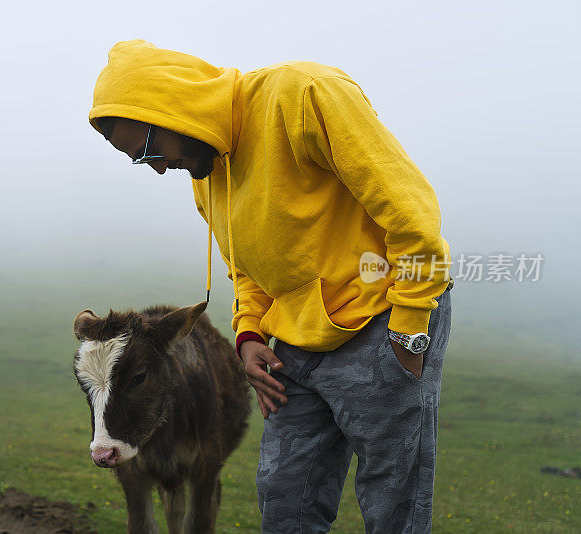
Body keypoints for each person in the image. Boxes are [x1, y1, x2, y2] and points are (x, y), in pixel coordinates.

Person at [88, 39, 453, 534]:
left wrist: (409, 331)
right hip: (295, 343)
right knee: (286, 493)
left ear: (175, 110)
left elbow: (412, 214)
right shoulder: (206, 167)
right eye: (137, 160)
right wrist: (250, 335)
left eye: (148, 148)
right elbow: (246, 269)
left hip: (381, 319)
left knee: (392, 497)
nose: (154, 167)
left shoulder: (304, 94)